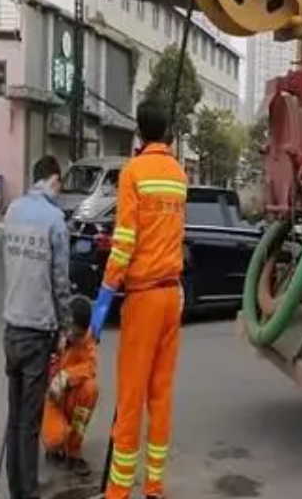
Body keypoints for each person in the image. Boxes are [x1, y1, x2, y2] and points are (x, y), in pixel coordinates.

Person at [91, 99, 187, 499]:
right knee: (160, 395)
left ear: (138, 132)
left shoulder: (134, 173)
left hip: (145, 297)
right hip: (173, 296)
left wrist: (104, 294)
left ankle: (117, 492)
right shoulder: (179, 176)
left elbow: (126, 241)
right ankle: (155, 485)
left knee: (131, 395)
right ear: (166, 133)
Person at [3, 155, 71, 499]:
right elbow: (60, 283)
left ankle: (17, 487)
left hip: (12, 327)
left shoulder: (12, 211)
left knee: (15, 418)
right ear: (54, 181)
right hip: (37, 332)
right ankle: (27, 493)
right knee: (29, 423)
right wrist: (66, 329)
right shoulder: (55, 220)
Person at [42, 296, 99, 477]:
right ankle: (54, 447)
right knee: (55, 437)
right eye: (73, 332)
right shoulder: (52, 332)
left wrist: (66, 376)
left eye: (79, 334)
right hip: (51, 397)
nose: (76, 337)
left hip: (70, 390)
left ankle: (74, 450)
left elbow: (90, 366)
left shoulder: (87, 337)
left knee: (90, 390)